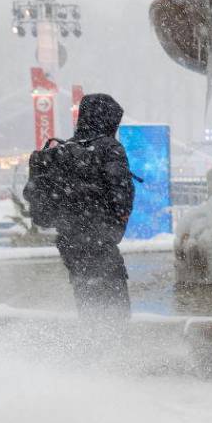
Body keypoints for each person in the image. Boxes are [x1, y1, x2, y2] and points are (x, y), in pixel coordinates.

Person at [46, 94, 135, 319]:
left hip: (70, 242)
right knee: (115, 304)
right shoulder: (109, 148)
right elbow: (121, 194)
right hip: (99, 239)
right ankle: (112, 348)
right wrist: (114, 227)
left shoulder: (63, 150)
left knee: (85, 295)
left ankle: (91, 347)